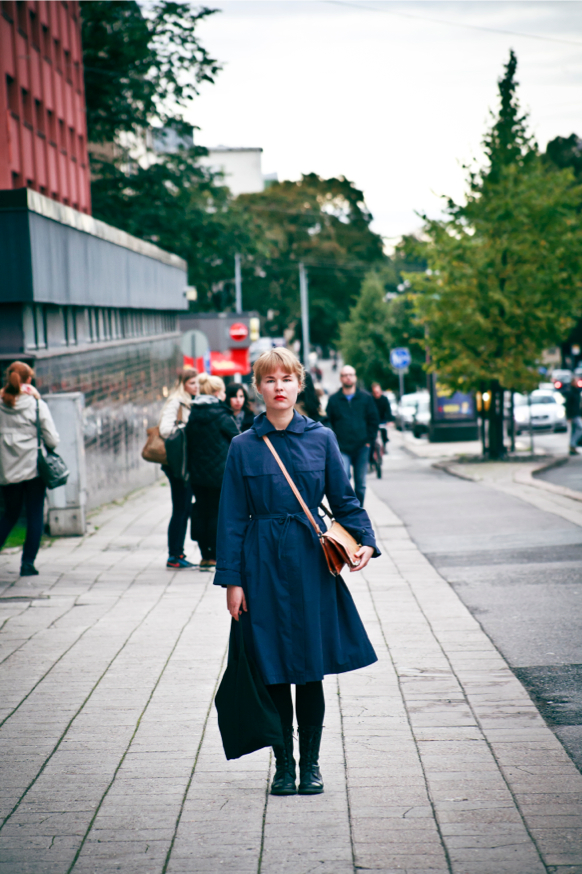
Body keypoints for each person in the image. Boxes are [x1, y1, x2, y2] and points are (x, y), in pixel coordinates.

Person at [215, 348, 379, 796]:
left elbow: (344, 500)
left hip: (310, 564)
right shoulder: (242, 446)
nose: (279, 387)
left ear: (299, 385)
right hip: (261, 566)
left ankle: (311, 766)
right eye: (270, 380)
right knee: (271, 669)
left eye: (287, 379)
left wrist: (365, 540)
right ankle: (283, 767)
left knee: (309, 669)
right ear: (258, 388)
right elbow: (231, 519)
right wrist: (232, 580)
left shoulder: (322, 438)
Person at [0, 362, 60, 576]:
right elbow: (52, 440)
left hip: (8, 468)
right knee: (35, 514)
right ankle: (27, 564)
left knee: (10, 513)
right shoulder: (36, 405)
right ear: (28, 380)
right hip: (34, 468)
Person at [186, 373, 238, 570]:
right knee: (217, 512)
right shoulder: (223, 416)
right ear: (216, 393)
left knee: (201, 510)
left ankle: (204, 555)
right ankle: (215, 555)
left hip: (197, 475)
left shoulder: (193, 414)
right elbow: (238, 440)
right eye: (223, 391)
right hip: (219, 475)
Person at [158, 368, 198, 569]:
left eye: (197, 383)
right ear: (183, 384)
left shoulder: (190, 401)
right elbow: (165, 429)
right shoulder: (176, 401)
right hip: (176, 463)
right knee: (181, 507)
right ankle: (174, 555)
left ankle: (177, 552)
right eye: (192, 383)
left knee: (183, 507)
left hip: (185, 462)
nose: (196, 386)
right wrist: (186, 428)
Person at [326, 365, 379, 506]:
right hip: (342, 447)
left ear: (355, 377)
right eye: (345, 375)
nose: (348, 377)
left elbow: (374, 420)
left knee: (361, 484)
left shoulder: (366, 398)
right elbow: (328, 421)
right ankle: (348, 510)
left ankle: (359, 510)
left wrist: (369, 440)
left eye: (350, 374)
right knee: (344, 480)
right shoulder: (334, 400)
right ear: (341, 378)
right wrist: (333, 441)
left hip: (362, 446)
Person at [371, 382, 393, 449]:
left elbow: (388, 410)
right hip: (373, 420)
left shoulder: (384, 399)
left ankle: (384, 443)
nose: (376, 394)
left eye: (377, 392)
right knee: (372, 434)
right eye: (374, 393)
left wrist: (389, 420)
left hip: (382, 419)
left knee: (384, 431)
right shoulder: (370, 399)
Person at [565, 375, 582, 456]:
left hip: (577, 414)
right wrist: (568, 416)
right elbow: (568, 405)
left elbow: (579, 405)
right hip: (573, 415)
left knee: (574, 431)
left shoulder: (577, 392)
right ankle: (573, 444)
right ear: (572, 383)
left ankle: (573, 447)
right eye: (576, 381)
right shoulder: (571, 392)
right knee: (580, 429)